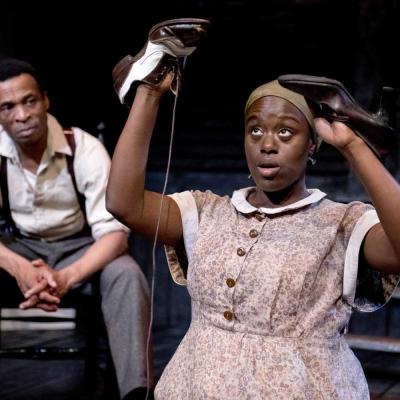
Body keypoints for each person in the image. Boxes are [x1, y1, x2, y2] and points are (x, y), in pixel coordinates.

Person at [106, 20, 400, 400]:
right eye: (255, 130)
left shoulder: (341, 224)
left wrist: (352, 145)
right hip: (194, 386)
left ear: (312, 144)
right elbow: (122, 203)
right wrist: (149, 92)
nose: (267, 144)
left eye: (286, 132)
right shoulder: (208, 213)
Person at [0, 57, 153, 400]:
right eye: (7, 107)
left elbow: (114, 236)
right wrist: (20, 267)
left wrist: (66, 277)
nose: (22, 116)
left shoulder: (83, 148)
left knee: (127, 275)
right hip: (21, 247)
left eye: (29, 102)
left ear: (45, 100)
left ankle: (137, 393)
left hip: (79, 247)